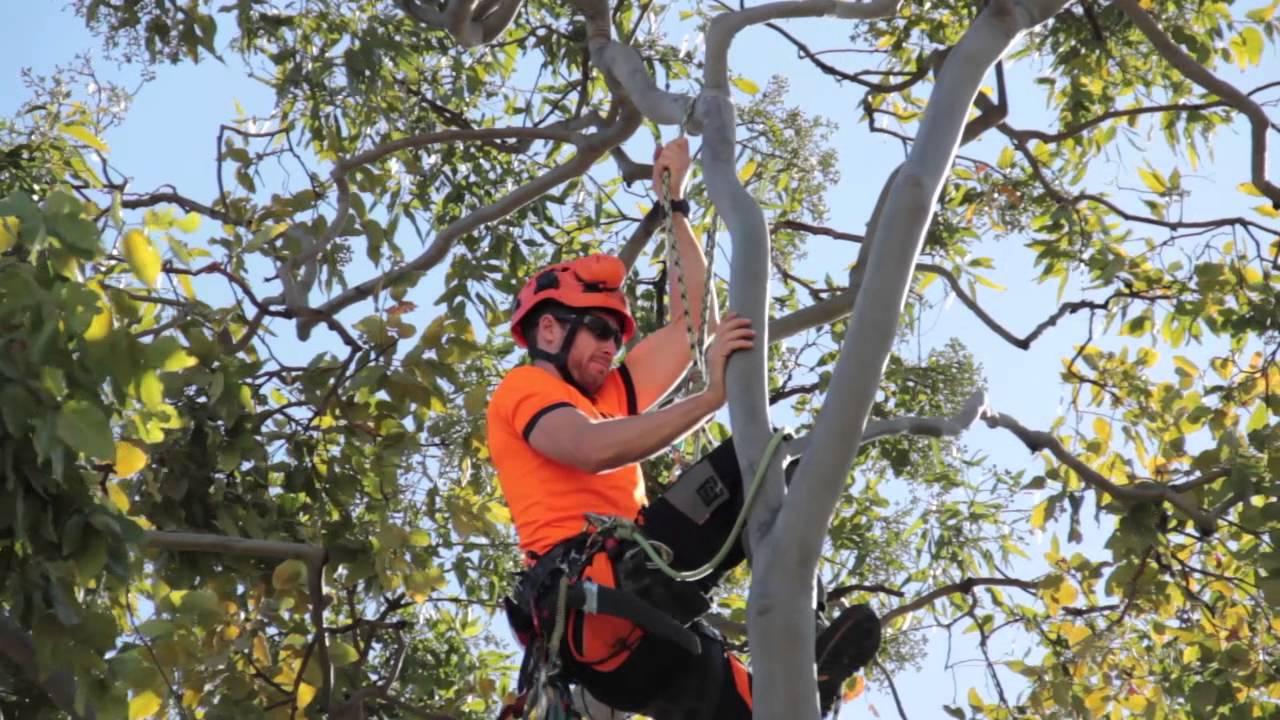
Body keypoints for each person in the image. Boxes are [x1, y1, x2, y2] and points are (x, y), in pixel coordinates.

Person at [486, 138, 880, 718]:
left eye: (617, 337)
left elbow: (695, 323)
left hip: (640, 632)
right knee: (755, 465)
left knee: (765, 707)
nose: (611, 346)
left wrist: (675, 200)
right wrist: (711, 398)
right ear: (549, 331)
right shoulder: (525, 389)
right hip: (605, 592)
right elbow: (589, 449)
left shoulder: (610, 394)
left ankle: (804, 660)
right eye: (598, 329)